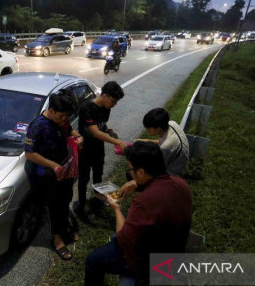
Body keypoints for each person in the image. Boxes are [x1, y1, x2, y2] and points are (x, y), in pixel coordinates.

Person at [84, 142, 192, 285]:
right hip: (173, 249)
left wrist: (116, 209)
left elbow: (123, 239)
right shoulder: (181, 184)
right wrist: (137, 183)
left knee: (93, 260)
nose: (130, 173)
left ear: (140, 172)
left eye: (130, 170)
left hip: (148, 263)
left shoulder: (143, 202)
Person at [24, 91, 83, 261]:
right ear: (51, 111)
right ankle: (57, 239)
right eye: (62, 116)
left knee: (66, 199)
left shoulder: (61, 121)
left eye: (67, 116)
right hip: (46, 174)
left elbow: (69, 129)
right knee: (54, 206)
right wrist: (53, 166)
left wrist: (79, 137)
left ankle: (64, 228)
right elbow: (30, 154)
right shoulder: (37, 126)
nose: (65, 119)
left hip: (64, 169)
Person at [75, 81, 126, 218]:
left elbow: (101, 125)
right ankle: (82, 204)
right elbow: (95, 132)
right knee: (84, 179)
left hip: (98, 148)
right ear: (105, 96)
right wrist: (118, 142)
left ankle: (97, 201)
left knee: (98, 176)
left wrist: (109, 131)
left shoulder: (106, 107)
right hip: (85, 149)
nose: (114, 105)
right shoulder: (87, 108)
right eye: (114, 101)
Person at [136, 108, 189, 177]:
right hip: (176, 161)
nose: (146, 129)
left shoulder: (166, 147)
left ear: (159, 128)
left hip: (172, 174)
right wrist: (147, 141)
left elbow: (155, 168)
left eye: (148, 128)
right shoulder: (171, 124)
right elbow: (162, 141)